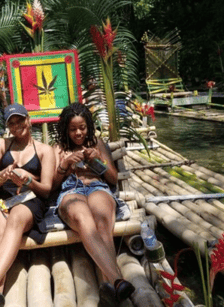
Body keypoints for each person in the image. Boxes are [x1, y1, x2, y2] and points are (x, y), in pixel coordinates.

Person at [0, 103, 56, 307]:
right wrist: (3, 175)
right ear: (8, 126)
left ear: (28, 119)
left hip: (30, 198)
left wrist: (27, 181)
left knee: (15, 219)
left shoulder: (45, 150)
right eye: (12, 123)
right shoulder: (0, 144)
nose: (17, 126)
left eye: (20, 120)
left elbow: (46, 189)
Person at [52, 102, 135, 305]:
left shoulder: (96, 143)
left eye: (82, 128)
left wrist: (98, 161)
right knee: (83, 218)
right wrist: (64, 164)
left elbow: (113, 179)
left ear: (88, 125)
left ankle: (111, 283)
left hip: (97, 187)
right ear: (65, 129)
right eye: (73, 129)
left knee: (102, 219)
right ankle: (116, 279)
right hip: (71, 190)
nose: (78, 133)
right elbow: (52, 186)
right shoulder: (58, 148)